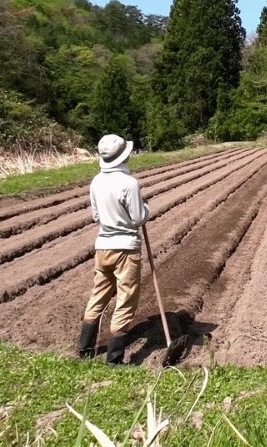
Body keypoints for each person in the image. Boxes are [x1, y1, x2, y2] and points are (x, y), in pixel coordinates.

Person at [76, 133, 148, 365]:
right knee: (126, 299)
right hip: (125, 249)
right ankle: (114, 359)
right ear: (124, 156)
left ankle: (85, 350)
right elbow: (138, 218)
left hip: (102, 247)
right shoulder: (129, 183)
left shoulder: (96, 182)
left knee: (99, 294)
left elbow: (96, 215)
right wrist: (145, 208)